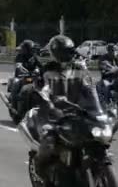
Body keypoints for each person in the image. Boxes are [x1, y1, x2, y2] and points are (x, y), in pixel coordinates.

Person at [31, 35, 103, 180]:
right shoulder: (45, 71)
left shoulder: (80, 69)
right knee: (49, 143)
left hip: (76, 113)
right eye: (62, 52)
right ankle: (39, 168)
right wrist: (51, 106)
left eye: (68, 51)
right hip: (51, 116)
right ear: (54, 53)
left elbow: (91, 90)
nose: (65, 55)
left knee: (97, 137)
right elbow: (41, 92)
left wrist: (98, 111)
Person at [8, 40, 44, 115]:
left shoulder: (34, 57)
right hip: (21, 76)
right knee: (16, 83)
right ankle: (13, 107)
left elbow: (41, 66)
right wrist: (23, 69)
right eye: (30, 49)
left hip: (33, 76)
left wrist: (42, 70)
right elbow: (18, 65)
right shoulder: (20, 56)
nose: (31, 51)